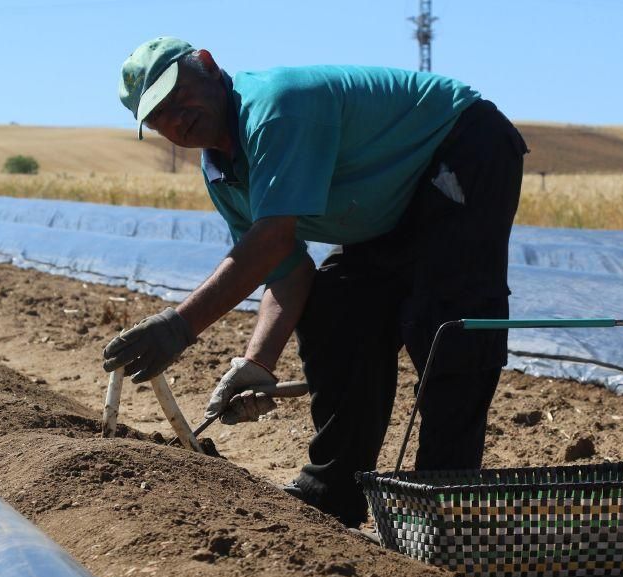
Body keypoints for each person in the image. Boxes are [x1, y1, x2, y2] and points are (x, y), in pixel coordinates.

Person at [104, 36, 527, 527]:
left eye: (180, 96)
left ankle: (442, 506)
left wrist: (178, 326)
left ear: (207, 65)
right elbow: (286, 269)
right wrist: (258, 362)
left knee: (446, 322)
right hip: (392, 204)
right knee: (337, 307)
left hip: (462, 147)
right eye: (159, 115)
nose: (177, 117)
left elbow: (270, 239)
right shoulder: (222, 172)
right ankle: (334, 490)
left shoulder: (275, 108)